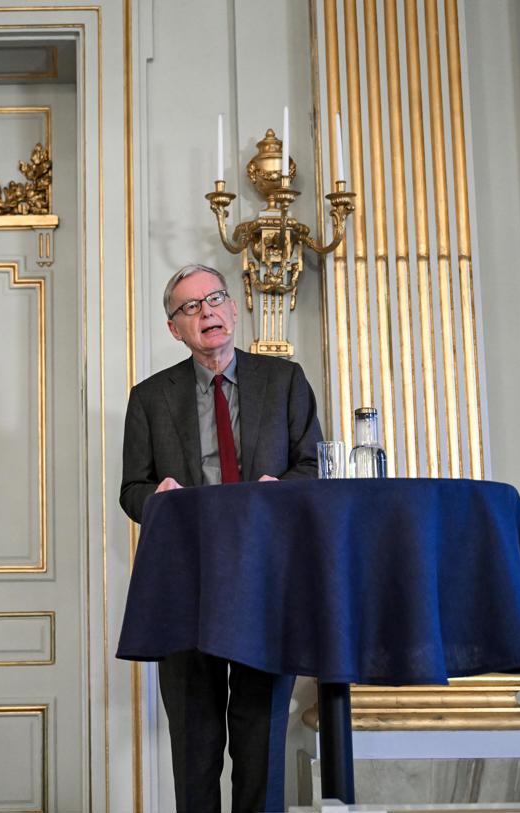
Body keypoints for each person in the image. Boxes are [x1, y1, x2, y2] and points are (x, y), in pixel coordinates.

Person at [120, 263, 323, 812]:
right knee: (195, 741)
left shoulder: (284, 381)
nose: (206, 311)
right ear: (174, 328)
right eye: (190, 306)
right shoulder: (149, 398)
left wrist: (277, 489)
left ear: (233, 310)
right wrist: (156, 495)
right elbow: (130, 489)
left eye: (214, 299)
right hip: (187, 581)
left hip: (264, 580)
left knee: (260, 736)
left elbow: (313, 467)